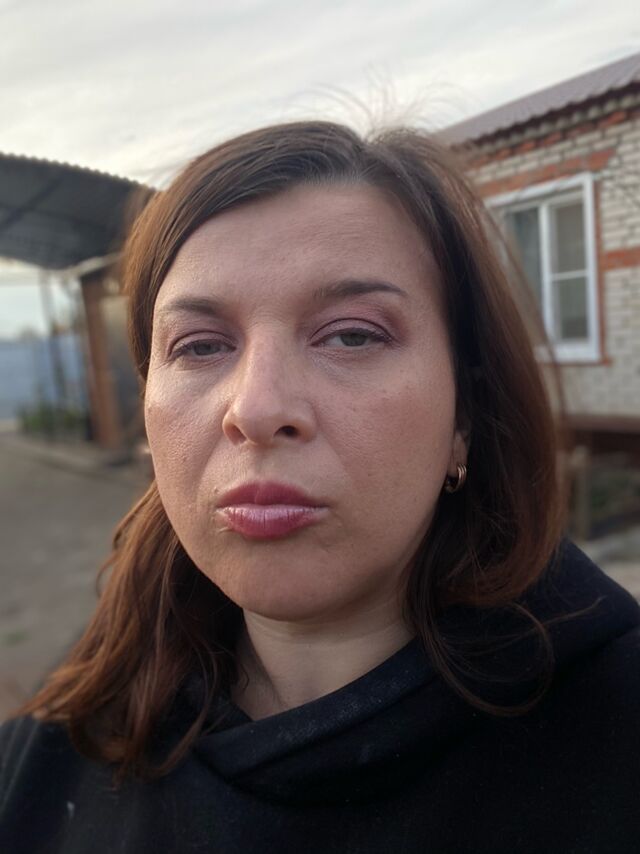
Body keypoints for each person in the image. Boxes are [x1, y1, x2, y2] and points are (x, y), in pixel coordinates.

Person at [1, 121, 639, 854]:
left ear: (463, 416)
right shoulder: (52, 757)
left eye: (352, 334)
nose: (256, 409)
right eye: (200, 345)